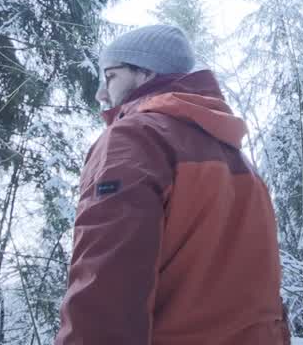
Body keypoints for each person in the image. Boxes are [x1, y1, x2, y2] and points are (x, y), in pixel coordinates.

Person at [55, 24, 289, 345]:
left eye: (110, 76)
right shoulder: (241, 161)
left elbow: (107, 286)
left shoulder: (134, 139)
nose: (101, 93)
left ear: (146, 73)